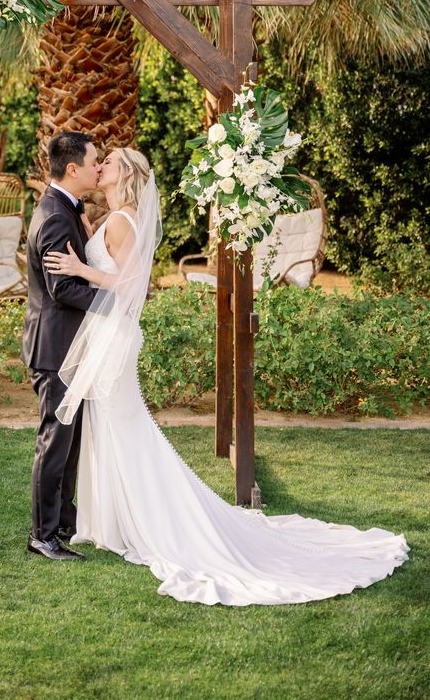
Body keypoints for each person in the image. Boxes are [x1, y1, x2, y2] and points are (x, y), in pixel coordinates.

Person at [43, 147, 410, 606]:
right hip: (112, 334)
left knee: (123, 429)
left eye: (110, 162)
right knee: (115, 428)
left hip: (115, 336)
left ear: (127, 174)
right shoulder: (118, 216)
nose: (101, 166)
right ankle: (111, 522)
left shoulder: (121, 221)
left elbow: (132, 283)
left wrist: (80, 268)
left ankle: (151, 523)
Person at [22, 131, 101, 561]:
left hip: (70, 347)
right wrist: (113, 302)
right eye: (94, 162)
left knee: (68, 443)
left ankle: (65, 524)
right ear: (73, 169)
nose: (97, 168)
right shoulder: (54, 215)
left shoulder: (66, 210)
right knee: (54, 442)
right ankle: (42, 536)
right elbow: (61, 288)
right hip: (55, 349)